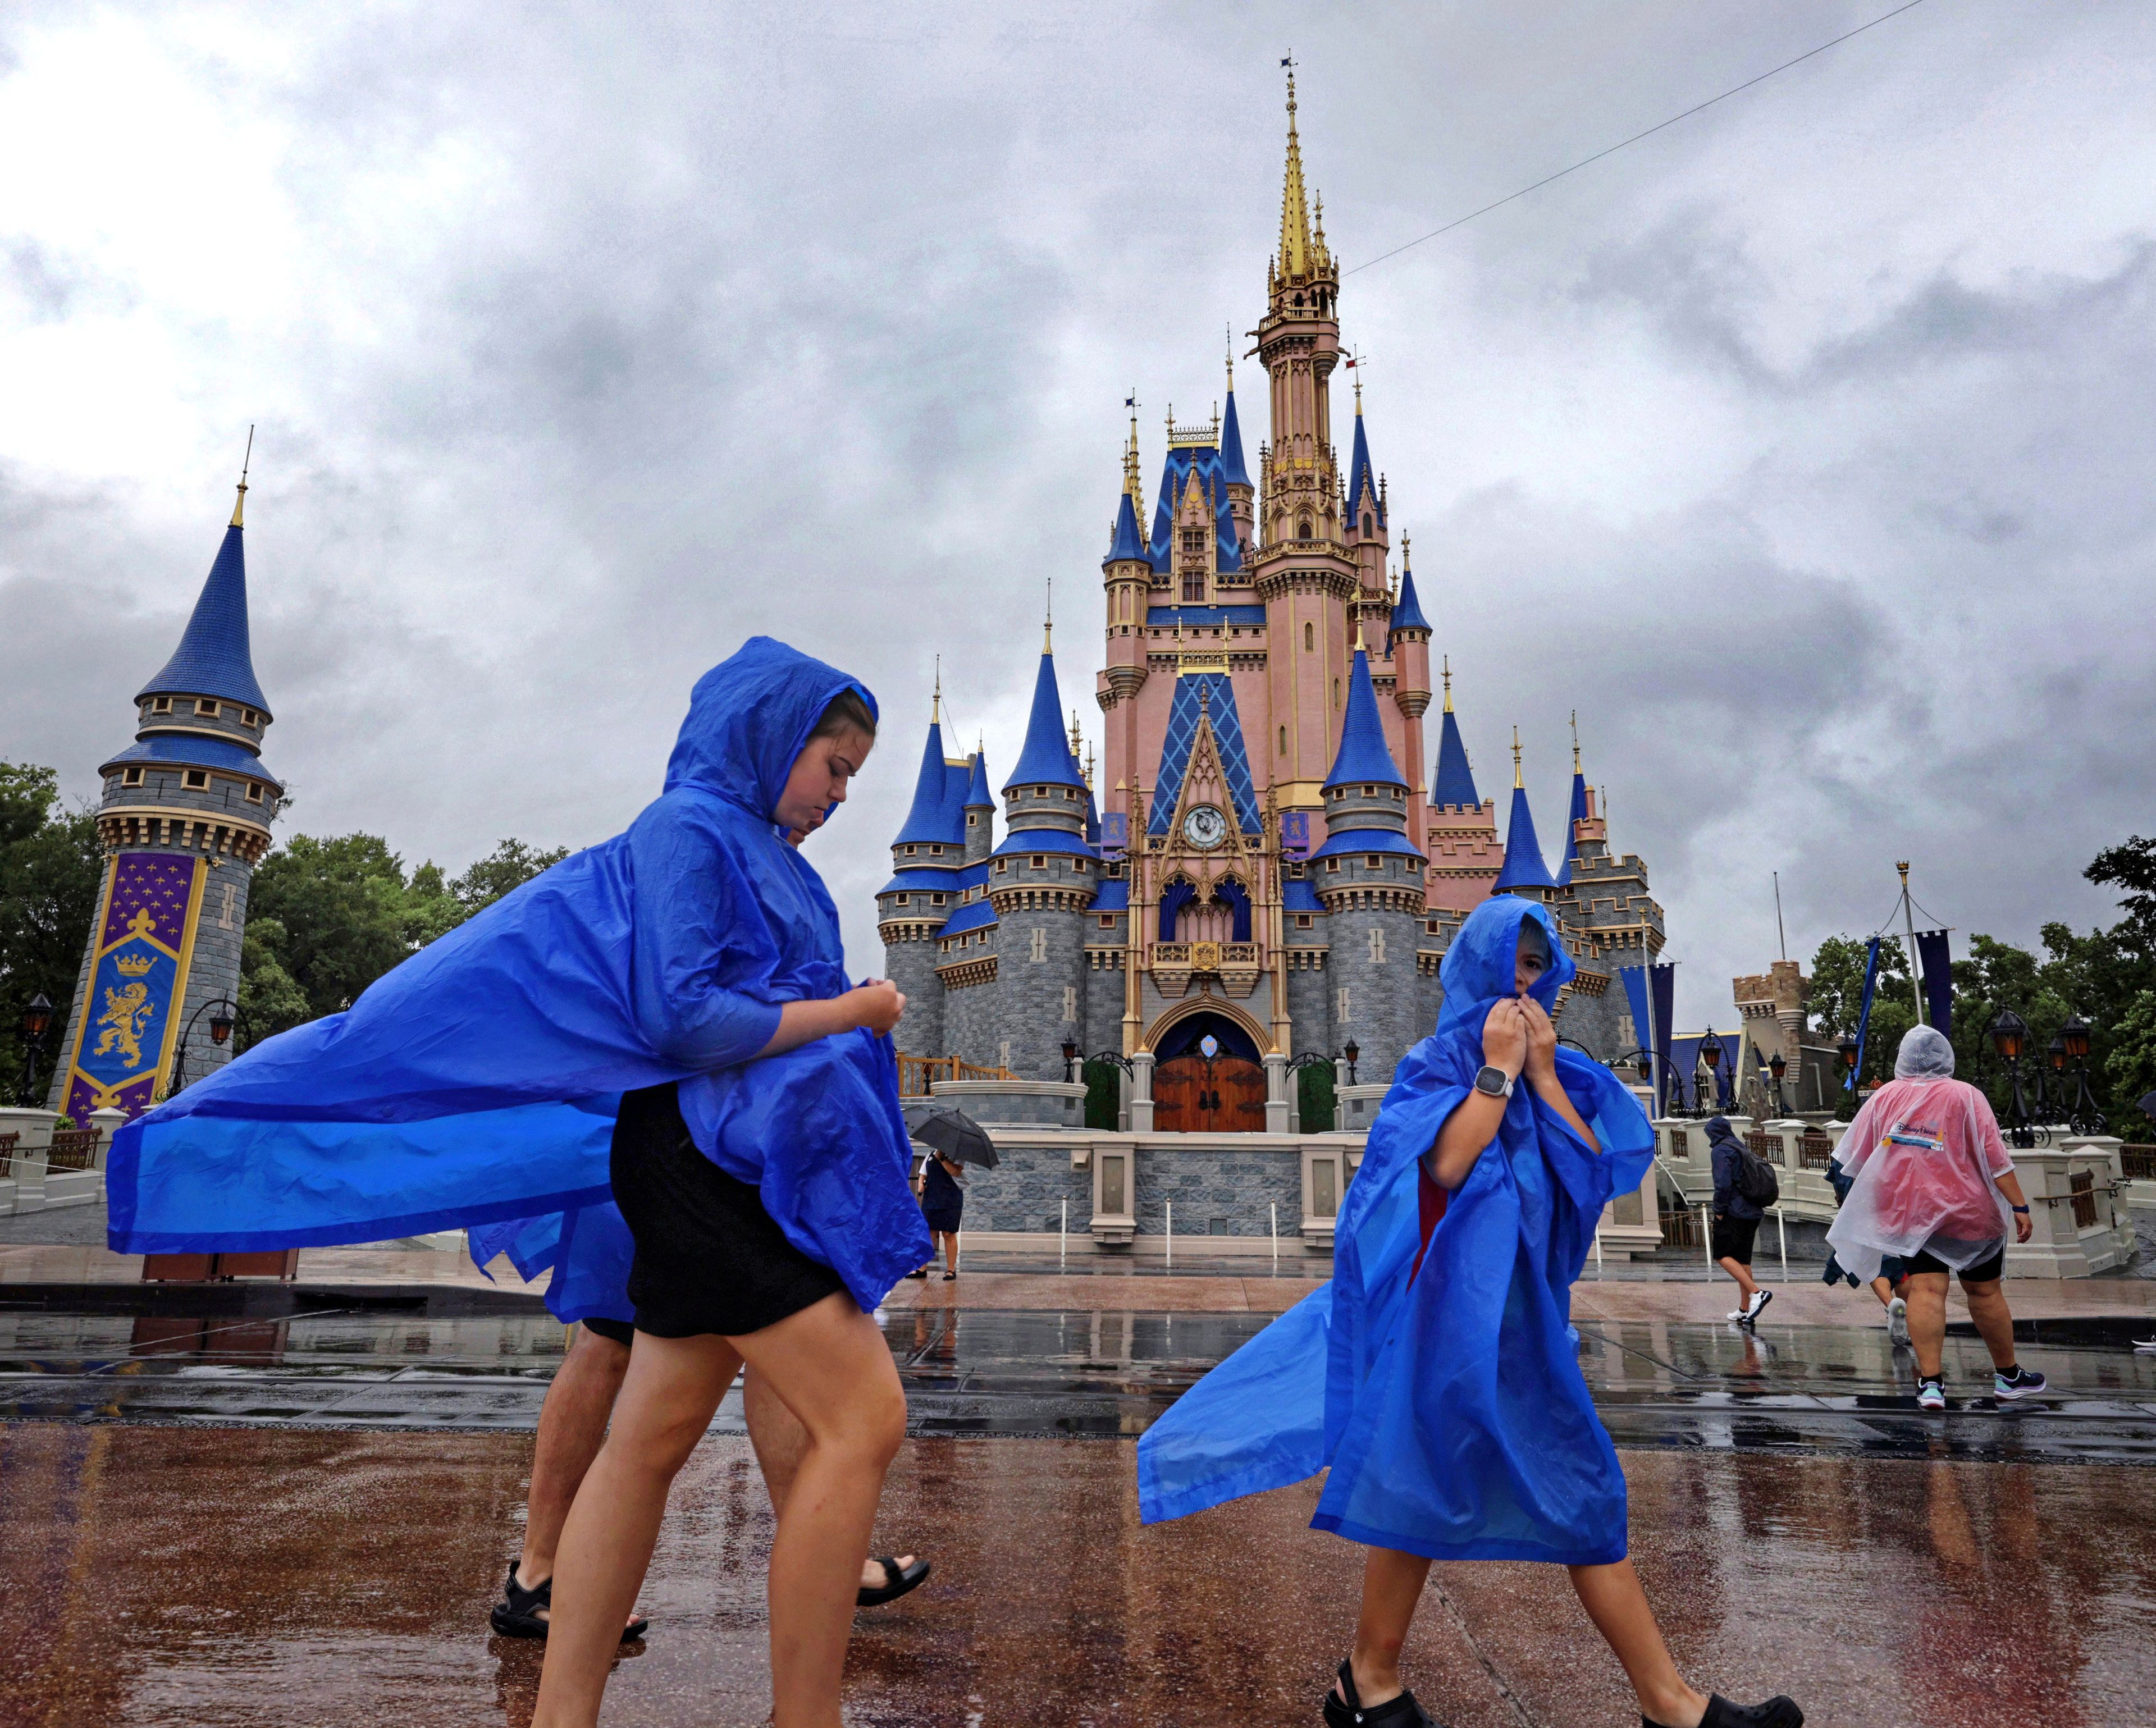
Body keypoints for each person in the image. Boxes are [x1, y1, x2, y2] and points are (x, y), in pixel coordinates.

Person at [108, 638, 934, 1728]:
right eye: (832, 766)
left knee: (647, 1442)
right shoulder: (689, 827)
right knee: (863, 1418)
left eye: (852, 778)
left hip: (730, 1161)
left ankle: (562, 1714)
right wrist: (858, 1013)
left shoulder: (759, 846)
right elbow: (684, 1020)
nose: (839, 794)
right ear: (771, 738)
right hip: (705, 1166)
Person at [1136, 898, 1802, 1728]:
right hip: (1442, 1319)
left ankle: (1653, 1699)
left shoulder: (1559, 1069)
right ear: (1476, 965)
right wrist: (1497, 1069)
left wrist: (1549, 1076)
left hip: (1520, 1322)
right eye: (1515, 963)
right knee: (1432, 1480)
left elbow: (1594, 1173)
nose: (1529, 983)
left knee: (1572, 1487)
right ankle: (1379, 1678)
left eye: (1538, 966)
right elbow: (1447, 1163)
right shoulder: (1438, 1061)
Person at [1825, 1024, 2044, 1412]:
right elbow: (1995, 1158)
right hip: (1967, 1213)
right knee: (1985, 1291)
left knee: (1926, 1290)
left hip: (1907, 1214)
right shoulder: (1966, 1096)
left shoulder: (1883, 1098)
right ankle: (2008, 1376)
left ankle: (1930, 1384)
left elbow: (1857, 1159)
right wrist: (2020, 1207)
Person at [1706, 1115, 1771, 1325]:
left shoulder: (1721, 1150)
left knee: (1722, 1254)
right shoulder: (1741, 1147)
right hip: (1753, 1211)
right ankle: (1745, 1309)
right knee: (1743, 1260)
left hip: (1735, 1211)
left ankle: (1757, 1293)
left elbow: (1722, 1184)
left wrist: (1719, 1210)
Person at [916, 1149, 964, 1280]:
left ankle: (951, 1270)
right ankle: (922, 1269)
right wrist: (921, 1185)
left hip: (951, 1200)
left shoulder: (957, 1156)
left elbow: (956, 1172)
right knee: (928, 1233)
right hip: (931, 1199)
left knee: (948, 1233)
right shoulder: (930, 1155)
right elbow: (923, 1175)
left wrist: (942, 1158)